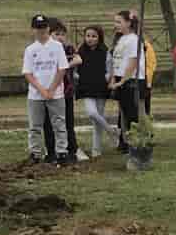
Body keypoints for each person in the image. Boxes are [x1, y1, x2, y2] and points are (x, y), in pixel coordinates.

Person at [22, 14, 70, 164]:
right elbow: (28, 73)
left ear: (48, 28)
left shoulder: (57, 47)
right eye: (38, 28)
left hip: (56, 93)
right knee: (35, 126)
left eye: (43, 28)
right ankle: (35, 153)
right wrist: (42, 90)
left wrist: (51, 89)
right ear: (33, 30)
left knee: (59, 124)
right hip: (36, 95)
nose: (41, 31)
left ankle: (62, 152)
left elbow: (62, 69)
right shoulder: (30, 49)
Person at [73, 25, 119, 159]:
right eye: (88, 36)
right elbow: (75, 70)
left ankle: (96, 150)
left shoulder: (105, 52)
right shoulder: (80, 51)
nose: (90, 39)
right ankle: (112, 131)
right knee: (92, 113)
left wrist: (106, 78)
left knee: (97, 121)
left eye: (94, 36)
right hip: (86, 88)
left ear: (99, 38)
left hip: (100, 87)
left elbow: (110, 69)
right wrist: (79, 77)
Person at [41, 17, 80, 162]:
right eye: (56, 34)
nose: (60, 37)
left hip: (66, 91)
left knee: (68, 122)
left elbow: (78, 59)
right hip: (48, 92)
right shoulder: (43, 49)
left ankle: (71, 149)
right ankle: (51, 150)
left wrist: (65, 65)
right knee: (49, 123)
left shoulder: (68, 48)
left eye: (63, 34)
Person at [110, 9, 142, 147]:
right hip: (119, 78)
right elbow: (116, 60)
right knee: (123, 112)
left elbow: (133, 61)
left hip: (130, 80)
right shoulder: (121, 39)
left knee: (131, 113)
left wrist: (123, 81)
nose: (116, 25)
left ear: (129, 23)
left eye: (119, 22)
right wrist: (113, 79)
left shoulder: (134, 39)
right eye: (115, 22)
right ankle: (125, 141)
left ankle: (135, 142)